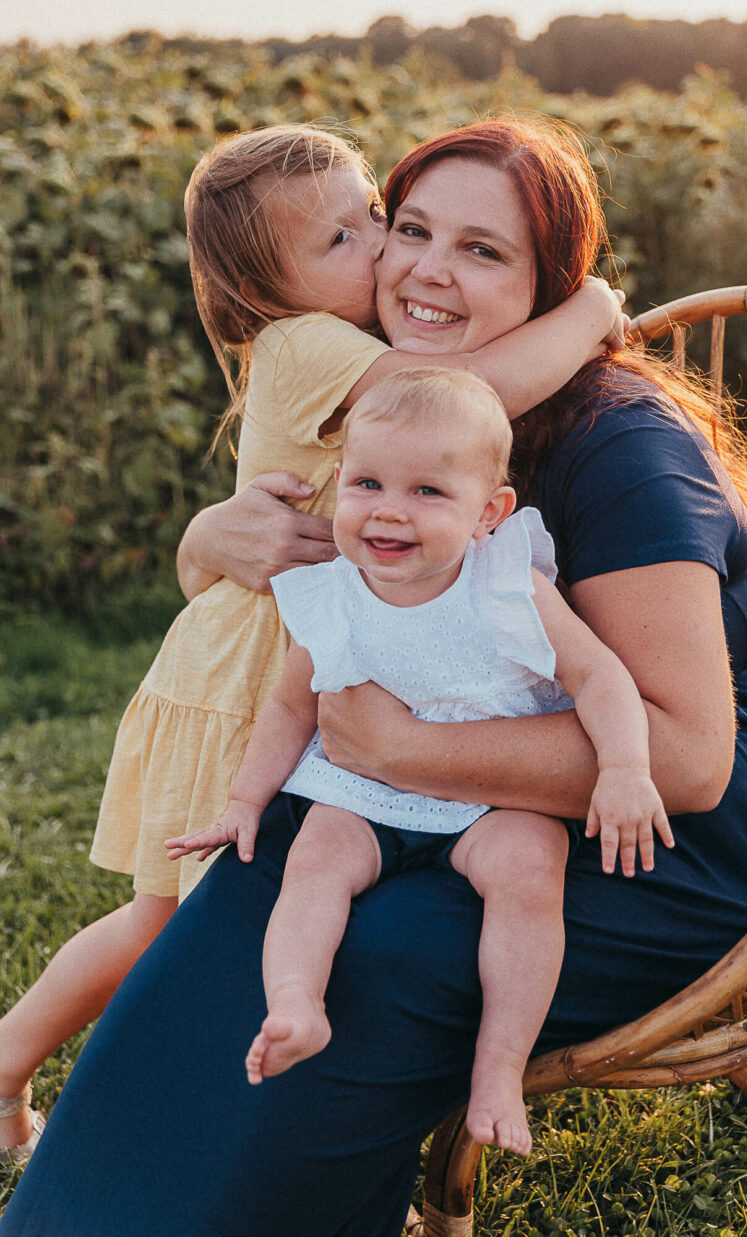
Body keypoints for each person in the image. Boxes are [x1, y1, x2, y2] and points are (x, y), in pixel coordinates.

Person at [0, 118, 747, 1237]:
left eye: (482, 250)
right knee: (257, 885)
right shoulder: (406, 433)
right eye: (410, 226)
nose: (424, 264)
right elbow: (267, 560)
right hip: (450, 803)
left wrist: (400, 751)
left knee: (376, 956)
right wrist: (207, 538)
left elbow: (689, 762)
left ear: (549, 284)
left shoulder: (623, 448)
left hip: (663, 851)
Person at [166, 367, 672, 1156]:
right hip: (363, 791)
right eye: (368, 482)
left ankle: (498, 1066)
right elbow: (292, 707)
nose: (390, 510)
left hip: (486, 796)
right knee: (315, 858)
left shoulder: (508, 584)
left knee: (531, 863)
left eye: (429, 492)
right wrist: (242, 800)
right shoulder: (331, 594)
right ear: (339, 484)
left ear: (489, 512)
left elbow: (599, 675)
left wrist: (624, 769)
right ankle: (297, 1002)